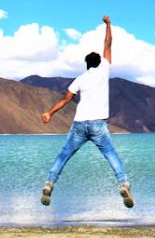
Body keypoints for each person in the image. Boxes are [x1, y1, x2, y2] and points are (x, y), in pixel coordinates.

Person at [40, 15, 134, 208]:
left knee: (64, 154)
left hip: (80, 124)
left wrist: (49, 113)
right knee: (111, 154)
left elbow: (66, 99)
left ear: (87, 64)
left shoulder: (80, 79)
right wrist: (108, 24)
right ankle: (123, 183)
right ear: (100, 62)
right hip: (98, 124)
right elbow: (108, 44)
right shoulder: (104, 69)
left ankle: (49, 183)